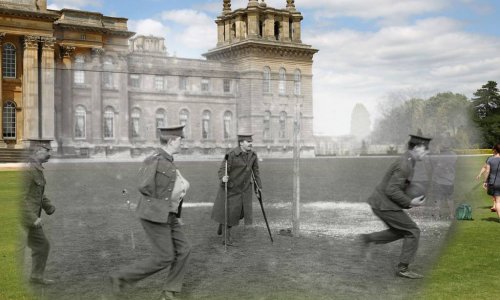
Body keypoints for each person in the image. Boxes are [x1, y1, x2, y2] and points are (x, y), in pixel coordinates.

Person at [110, 125, 191, 300]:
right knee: (165, 257)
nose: (181, 143)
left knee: (184, 249)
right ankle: (120, 278)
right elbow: (143, 185)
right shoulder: (155, 159)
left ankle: (169, 292)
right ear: (171, 141)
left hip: (168, 214)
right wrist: (160, 203)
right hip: (154, 215)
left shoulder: (167, 159)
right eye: (180, 140)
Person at [359, 134, 431, 279]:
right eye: (425, 149)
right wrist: (410, 202)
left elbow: (398, 187)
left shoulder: (409, 159)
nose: (427, 152)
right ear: (416, 147)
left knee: (400, 230)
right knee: (412, 231)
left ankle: (368, 238)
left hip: (381, 202)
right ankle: (403, 268)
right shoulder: (405, 163)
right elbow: (392, 190)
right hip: (384, 204)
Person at [211, 133, 262, 245]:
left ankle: (222, 224)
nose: (251, 143)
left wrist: (258, 187)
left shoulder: (253, 155)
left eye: (251, 141)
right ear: (241, 143)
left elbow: (256, 171)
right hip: (232, 188)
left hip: (245, 189)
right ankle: (226, 239)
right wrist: (223, 177)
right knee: (231, 213)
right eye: (248, 142)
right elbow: (222, 169)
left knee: (241, 213)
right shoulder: (231, 154)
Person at [20, 140, 56, 285]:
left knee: (42, 246)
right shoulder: (27, 170)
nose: (50, 154)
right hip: (22, 219)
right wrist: (32, 218)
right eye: (47, 150)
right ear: (37, 152)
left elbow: (37, 192)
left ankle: (36, 276)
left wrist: (48, 206)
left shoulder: (37, 169)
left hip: (32, 218)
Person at [429, 144, 457, 219]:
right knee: (450, 198)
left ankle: (437, 215)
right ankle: (451, 215)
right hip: (450, 181)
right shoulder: (453, 156)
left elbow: (433, 161)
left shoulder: (439, 157)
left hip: (439, 181)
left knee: (438, 199)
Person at [477, 147, 498, 212]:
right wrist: (480, 174)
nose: (493, 151)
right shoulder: (490, 158)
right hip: (492, 178)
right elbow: (484, 167)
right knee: (494, 193)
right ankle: (495, 205)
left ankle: (496, 205)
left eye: (493, 150)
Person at [483, 143, 500, 221]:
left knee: (497, 201)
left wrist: (485, 181)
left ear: (495, 150)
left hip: (494, 183)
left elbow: (487, 171)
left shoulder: (490, 159)